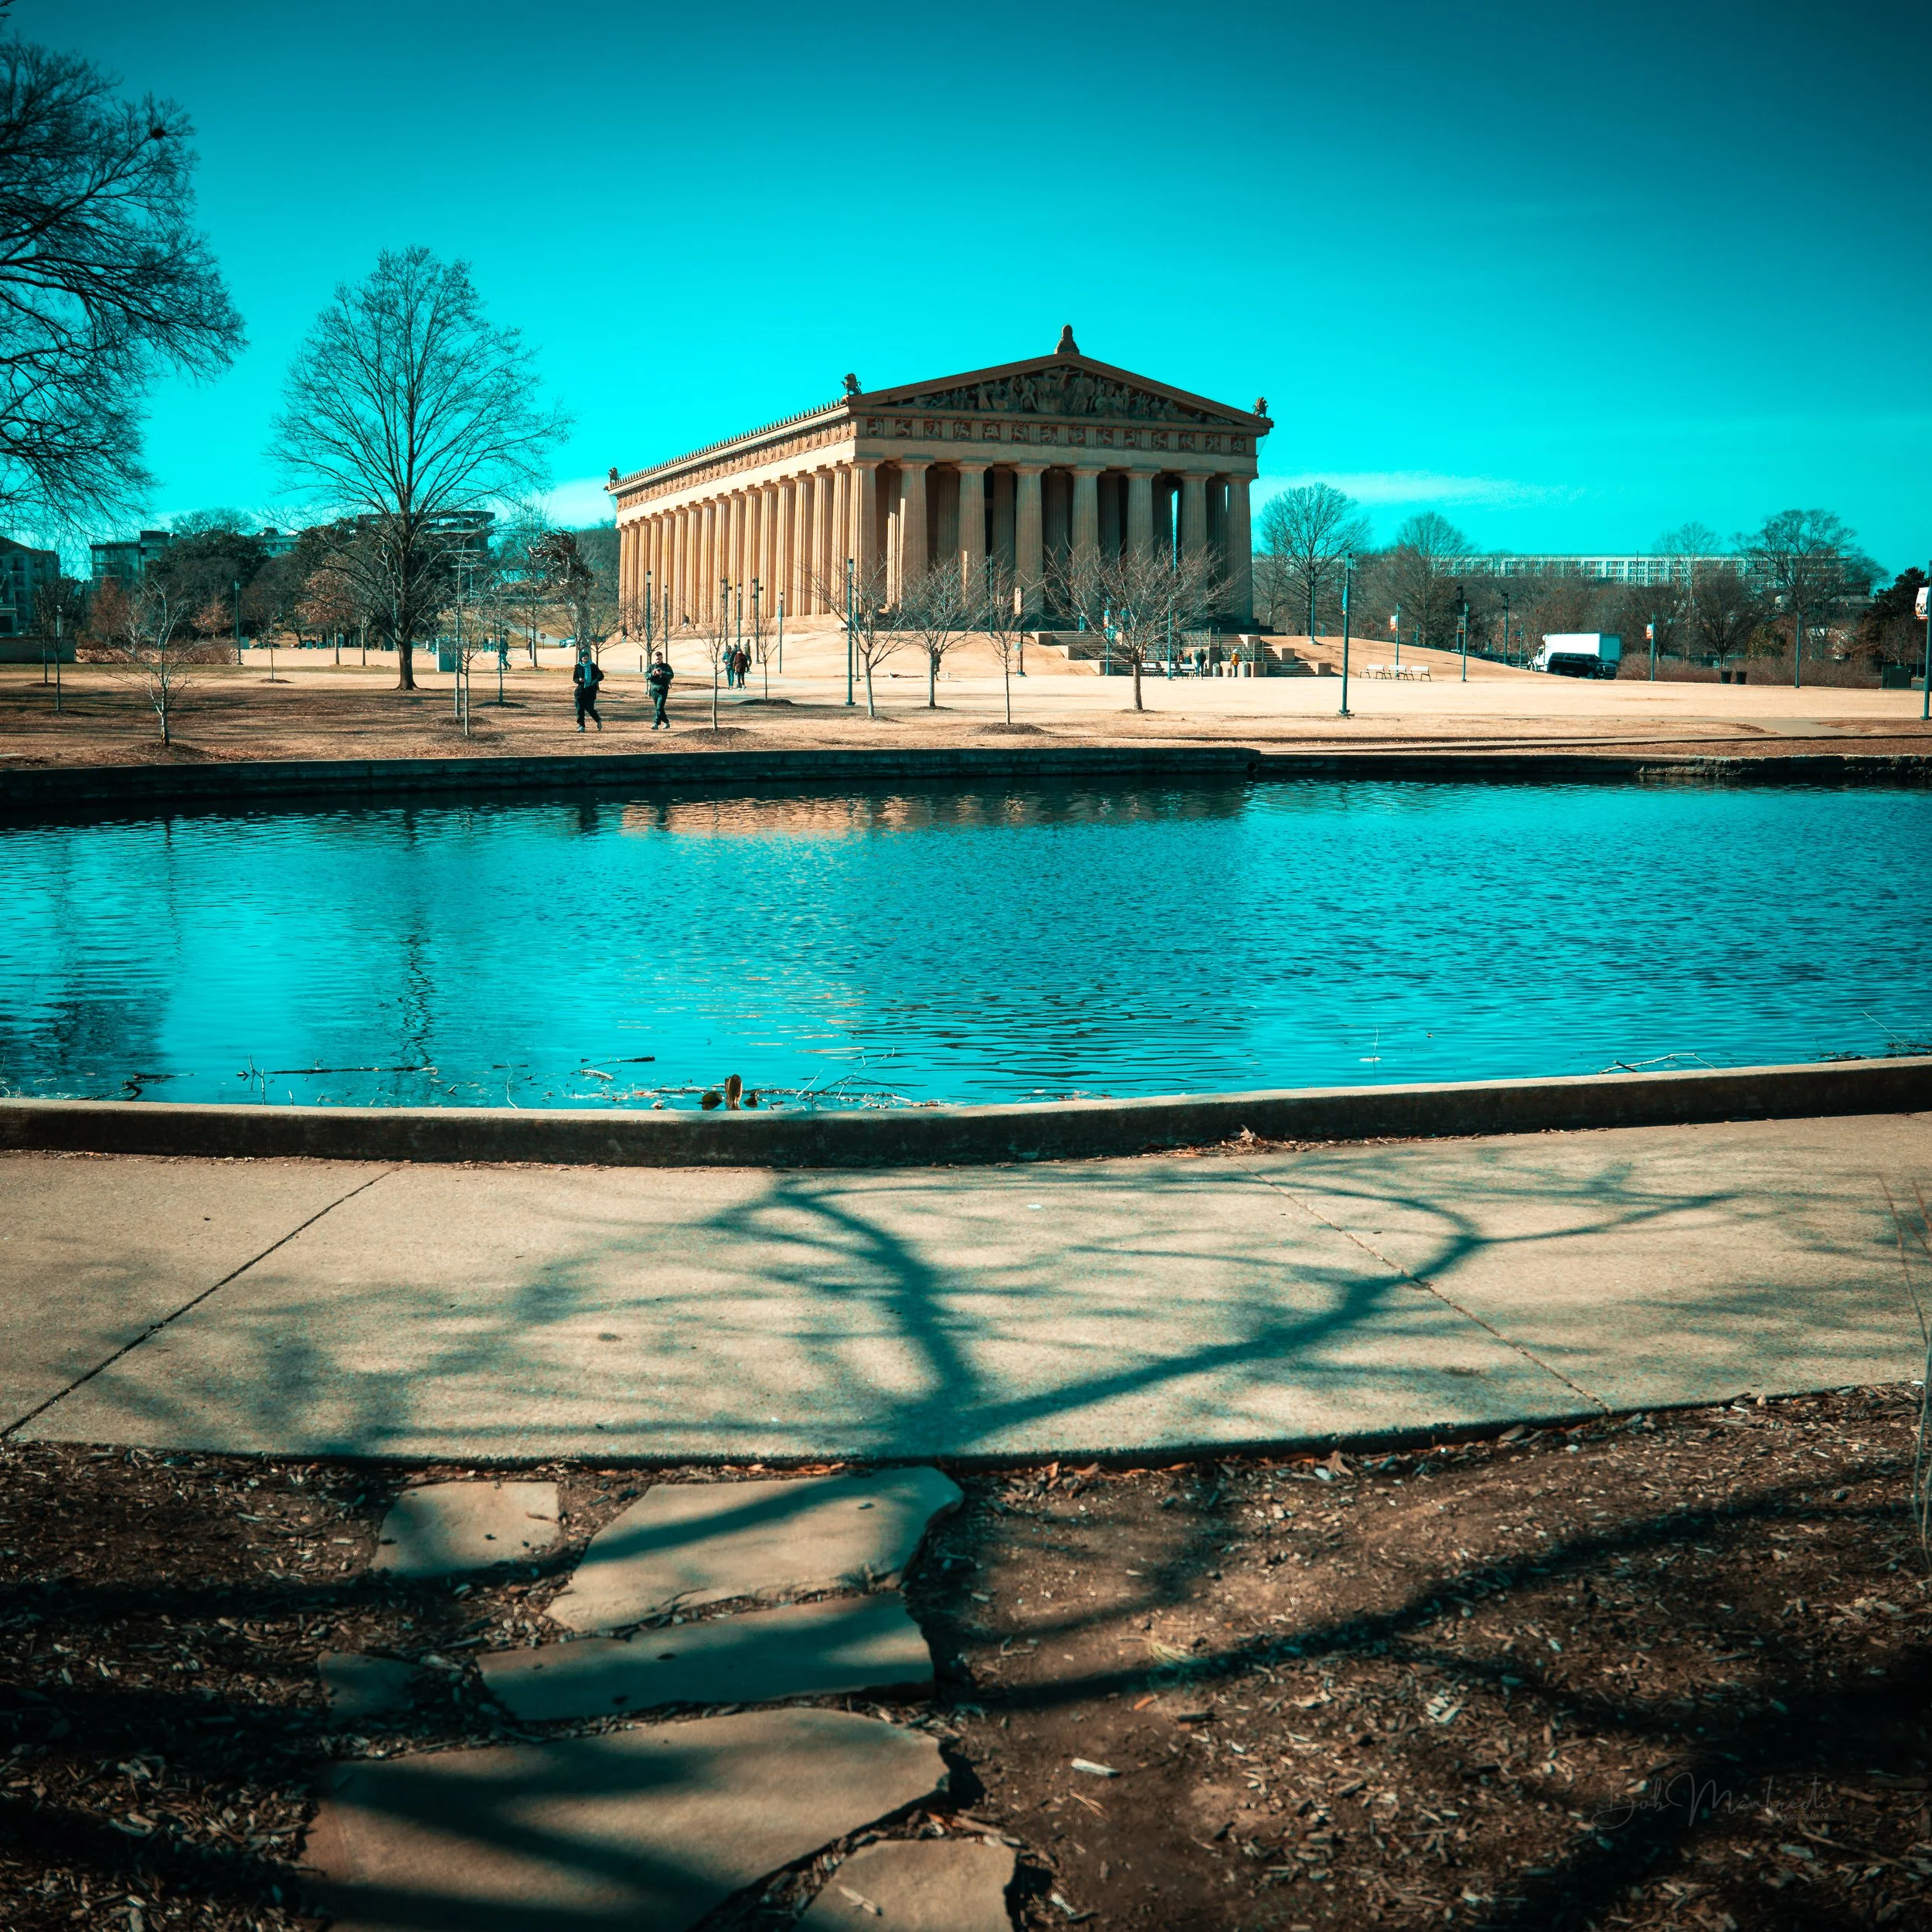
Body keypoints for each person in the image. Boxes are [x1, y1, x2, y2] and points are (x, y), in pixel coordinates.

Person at [573, 651, 604, 731]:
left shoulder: (593, 666)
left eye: (587, 656)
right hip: (580, 692)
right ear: (581, 658)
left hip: (590, 691)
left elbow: (601, 675)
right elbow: (574, 678)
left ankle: (598, 720)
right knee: (580, 709)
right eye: (584, 656)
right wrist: (579, 680)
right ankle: (581, 726)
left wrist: (595, 681)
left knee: (590, 709)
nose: (585, 657)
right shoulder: (578, 667)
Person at [646, 655, 673, 729]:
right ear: (655, 659)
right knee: (659, 708)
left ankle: (656, 724)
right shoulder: (651, 667)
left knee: (659, 707)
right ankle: (667, 722)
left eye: (660, 659)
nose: (658, 660)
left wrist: (662, 673)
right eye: (657, 659)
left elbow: (671, 675)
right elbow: (646, 676)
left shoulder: (666, 666)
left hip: (663, 689)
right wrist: (652, 674)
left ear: (662, 659)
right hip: (654, 689)